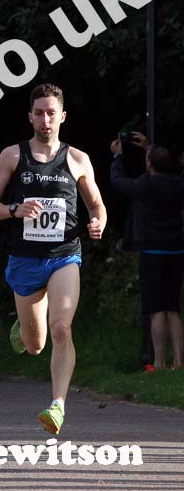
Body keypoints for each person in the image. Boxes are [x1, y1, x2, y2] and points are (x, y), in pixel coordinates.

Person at [0, 83, 106, 435]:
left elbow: (96, 204)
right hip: (24, 258)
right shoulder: (12, 156)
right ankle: (23, 327)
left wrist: (98, 222)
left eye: (52, 112)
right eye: (39, 112)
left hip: (65, 255)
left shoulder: (78, 159)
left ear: (62, 116)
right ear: (30, 116)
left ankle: (57, 405)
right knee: (36, 346)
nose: (46, 119)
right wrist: (13, 209)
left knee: (62, 327)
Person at [111, 132, 184, 371]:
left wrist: (118, 157)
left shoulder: (145, 185)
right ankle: (179, 362)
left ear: (150, 164)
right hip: (176, 251)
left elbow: (119, 181)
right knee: (173, 308)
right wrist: (149, 148)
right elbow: (162, 163)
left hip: (152, 253)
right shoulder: (177, 184)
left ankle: (159, 362)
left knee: (155, 310)